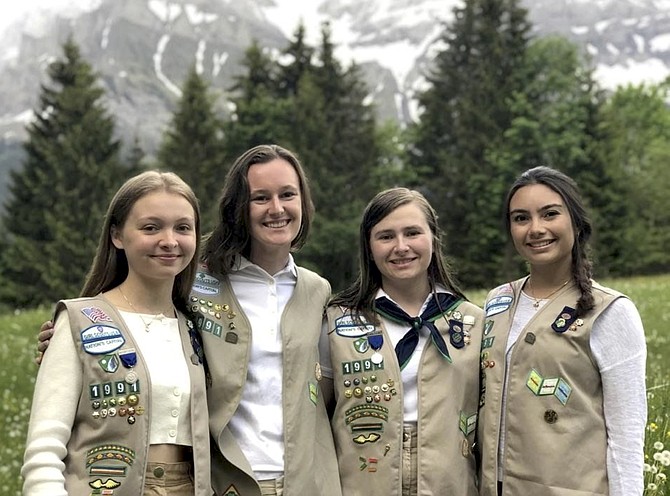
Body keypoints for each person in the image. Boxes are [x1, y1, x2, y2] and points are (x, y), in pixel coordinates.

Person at [36, 145, 342, 496]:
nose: (277, 208)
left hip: (304, 481)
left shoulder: (317, 291)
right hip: (221, 480)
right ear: (238, 207)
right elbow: (128, 314)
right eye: (260, 198)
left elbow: (329, 389)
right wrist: (70, 337)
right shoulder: (195, 281)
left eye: (288, 194)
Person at [22, 171, 212, 495]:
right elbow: (43, 451)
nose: (169, 241)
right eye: (151, 227)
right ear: (117, 236)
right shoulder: (80, 321)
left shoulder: (201, 327)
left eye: (182, 227)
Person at [476, 166, 647, 496]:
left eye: (550, 214)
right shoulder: (497, 301)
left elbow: (626, 433)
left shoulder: (610, 311)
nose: (535, 229)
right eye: (521, 218)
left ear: (576, 221)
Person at [322, 187, 483, 495]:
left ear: (433, 239)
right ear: (369, 247)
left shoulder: (472, 323)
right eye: (386, 236)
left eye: (412, 233)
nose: (401, 247)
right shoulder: (336, 322)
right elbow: (317, 419)